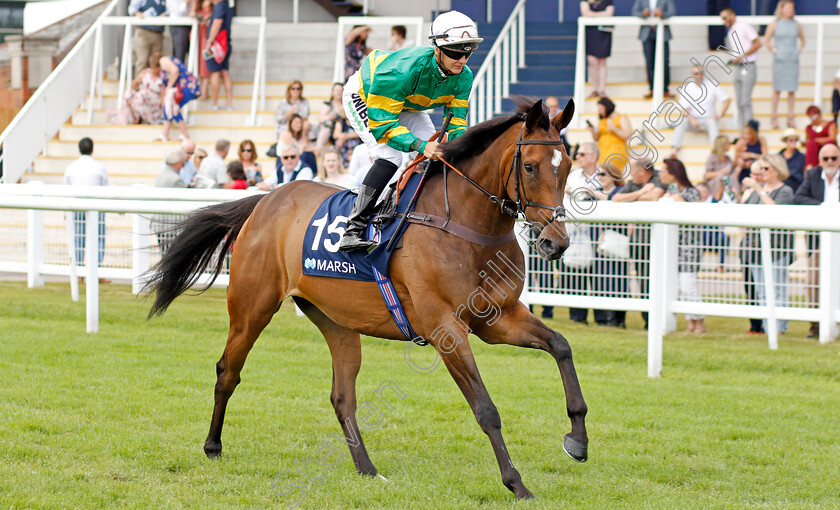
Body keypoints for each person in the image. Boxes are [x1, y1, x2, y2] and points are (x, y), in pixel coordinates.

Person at [338, 10, 481, 252]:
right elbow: (383, 125)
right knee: (390, 156)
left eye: (468, 51)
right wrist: (420, 145)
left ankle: (411, 208)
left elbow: (457, 123)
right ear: (437, 49)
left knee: (440, 149)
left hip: (406, 102)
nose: (462, 59)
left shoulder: (464, 76)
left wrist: (461, 151)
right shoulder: (402, 70)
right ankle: (353, 228)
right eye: (456, 52)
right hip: (368, 96)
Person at [742, 154, 795, 335]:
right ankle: (767, 327)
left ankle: (779, 328)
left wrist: (759, 189)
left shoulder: (785, 190)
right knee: (761, 291)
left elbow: (776, 214)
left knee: (777, 290)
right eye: (761, 168)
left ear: (777, 170)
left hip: (776, 249)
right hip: (756, 248)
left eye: (766, 169)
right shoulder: (758, 190)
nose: (762, 172)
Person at [793, 144, 840, 338]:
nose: (830, 162)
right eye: (826, 158)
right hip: (818, 239)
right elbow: (799, 197)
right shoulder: (813, 175)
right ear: (820, 160)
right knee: (813, 281)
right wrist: (824, 207)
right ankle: (815, 326)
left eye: (834, 158)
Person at [659, 158, 705, 334]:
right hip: (674, 246)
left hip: (690, 246)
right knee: (679, 286)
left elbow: (698, 216)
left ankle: (699, 322)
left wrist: (680, 202)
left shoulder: (690, 192)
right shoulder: (670, 190)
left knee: (688, 285)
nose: (661, 175)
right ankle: (691, 323)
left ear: (673, 173)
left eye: (664, 171)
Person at [561, 143, 605, 324]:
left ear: (593, 157)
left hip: (596, 229)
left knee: (599, 275)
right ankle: (577, 317)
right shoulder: (573, 175)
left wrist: (587, 192)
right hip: (574, 229)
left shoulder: (603, 175)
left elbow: (608, 196)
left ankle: (602, 318)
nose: (577, 156)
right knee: (574, 273)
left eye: (582, 153)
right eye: (577, 153)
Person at [63, 137, 108, 269]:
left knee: (78, 238)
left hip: (77, 206)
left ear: (78, 150)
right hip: (96, 206)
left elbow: (66, 190)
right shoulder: (99, 167)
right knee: (98, 238)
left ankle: (79, 271)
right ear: (92, 150)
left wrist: (66, 210)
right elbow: (106, 189)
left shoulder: (71, 167)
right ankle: (96, 269)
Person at [671, 66, 731, 157]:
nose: (699, 75)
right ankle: (674, 150)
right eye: (696, 73)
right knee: (681, 121)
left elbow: (726, 100)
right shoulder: (687, 87)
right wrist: (692, 120)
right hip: (693, 120)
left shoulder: (712, 84)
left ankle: (716, 152)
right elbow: (684, 109)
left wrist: (719, 115)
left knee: (712, 123)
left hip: (708, 119)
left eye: (701, 73)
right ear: (692, 74)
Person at [764, 1, 805, 129]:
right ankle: (774, 117)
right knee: (777, 89)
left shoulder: (796, 24)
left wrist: (798, 50)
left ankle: (790, 117)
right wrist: (774, 50)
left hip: (792, 61)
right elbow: (766, 40)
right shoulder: (775, 23)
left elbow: (803, 40)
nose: (790, 10)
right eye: (788, 8)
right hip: (780, 61)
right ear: (781, 9)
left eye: (792, 8)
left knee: (791, 90)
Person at [720, 7, 761, 126]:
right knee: (739, 102)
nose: (724, 20)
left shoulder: (744, 27)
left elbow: (758, 43)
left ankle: (750, 132)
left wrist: (742, 56)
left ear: (732, 15)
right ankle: (743, 133)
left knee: (745, 101)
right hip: (738, 67)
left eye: (725, 17)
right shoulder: (731, 31)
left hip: (748, 65)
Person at [739, 161, 765, 334]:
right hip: (747, 245)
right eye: (753, 174)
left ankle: (763, 324)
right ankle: (755, 325)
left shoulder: (764, 192)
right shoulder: (748, 193)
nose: (755, 178)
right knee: (750, 286)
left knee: (761, 286)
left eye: (759, 174)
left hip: (761, 245)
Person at [631, 0, 675, 99]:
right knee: (649, 63)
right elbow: (634, 12)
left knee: (664, 62)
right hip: (647, 33)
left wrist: (662, 14)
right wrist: (643, 14)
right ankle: (652, 89)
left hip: (663, 33)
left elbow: (672, 12)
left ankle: (665, 90)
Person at [158, 55, 201, 142]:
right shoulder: (165, 64)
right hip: (186, 87)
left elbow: (175, 70)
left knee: (173, 108)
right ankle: (165, 134)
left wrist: (168, 88)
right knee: (171, 107)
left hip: (187, 87)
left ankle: (183, 135)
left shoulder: (163, 60)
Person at [589, 96, 631, 177]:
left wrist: (615, 129)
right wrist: (592, 131)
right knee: (601, 174)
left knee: (613, 174)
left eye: (601, 109)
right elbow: (597, 138)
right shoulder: (602, 120)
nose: (600, 112)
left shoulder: (621, 118)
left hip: (616, 152)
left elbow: (628, 136)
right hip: (602, 152)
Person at [581, 0, 614, 98]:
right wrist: (602, 14)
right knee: (592, 61)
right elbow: (585, 12)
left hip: (604, 32)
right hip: (591, 32)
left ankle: (601, 90)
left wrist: (593, 15)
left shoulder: (607, 1)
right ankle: (594, 89)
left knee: (602, 61)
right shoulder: (586, 1)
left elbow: (610, 13)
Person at [205, 0, 233, 110]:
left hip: (217, 45)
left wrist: (209, 42)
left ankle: (214, 103)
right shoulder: (227, 6)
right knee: (225, 72)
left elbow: (217, 23)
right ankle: (229, 103)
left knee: (215, 73)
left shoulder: (219, 6)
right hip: (225, 44)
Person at [127, 0, 165, 78]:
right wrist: (137, 13)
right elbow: (132, 9)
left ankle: (153, 85)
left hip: (158, 33)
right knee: (142, 61)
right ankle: (139, 86)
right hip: (143, 31)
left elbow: (171, 10)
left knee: (156, 62)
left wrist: (165, 15)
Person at [124, 52, 164, 125]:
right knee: (128, 94)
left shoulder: (162, 77)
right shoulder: (145, 72)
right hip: (141, 97)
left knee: (141, 95)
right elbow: (133, 86)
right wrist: (137, 82)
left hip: (153, 101)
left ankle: (149, 119)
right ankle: (135, 118)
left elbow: (162, 94)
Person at [704, 135, 738, 200]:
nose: (729, 145)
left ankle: (734, 197)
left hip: (728, 183)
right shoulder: (712, 157)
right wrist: (721, 172)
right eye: (728, 143)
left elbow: (733, 172)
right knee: (722, 177)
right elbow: (707, 175)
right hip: (716, 183)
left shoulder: (728, 158)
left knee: (733, 176)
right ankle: (717, 199)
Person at [804, 105, 837, 170]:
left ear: (819, 114)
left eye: (814, 116)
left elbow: (832, 138)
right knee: (811, 144)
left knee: (829, 143)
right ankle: (811, 168)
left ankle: (828, 162)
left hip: (827, 148)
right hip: (815, 151)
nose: (813, 119)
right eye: (810, 117)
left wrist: (817, 140)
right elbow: (807, 140)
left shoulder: (830, 124)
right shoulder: (809, 127)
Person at [316, 83, 346, 150]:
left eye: (340, 90)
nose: (338, 93)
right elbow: (320, 119)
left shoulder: (347, 104)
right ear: (333, 92)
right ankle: (318, 148)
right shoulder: (328, 104)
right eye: (337, 90)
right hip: (330, 129)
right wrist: (330, 116)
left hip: (343, 129)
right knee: (325, 129)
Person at [193, 0, 213, 94]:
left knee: (204, 63)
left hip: (207, 35)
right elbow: (191, 13)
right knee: (198, 63)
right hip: (198, 35)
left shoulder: (213, 5)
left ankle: (204, 90)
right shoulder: (198, 4)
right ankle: (201, 89)